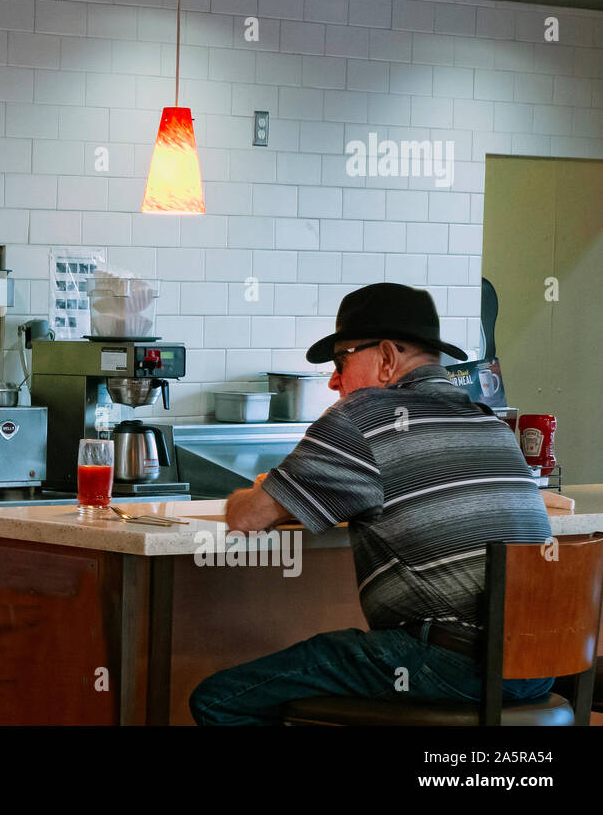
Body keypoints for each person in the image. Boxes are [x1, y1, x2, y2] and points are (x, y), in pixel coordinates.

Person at [189, 282, 552, 726]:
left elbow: (247, 518)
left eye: (341, 359)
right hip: (536, 664)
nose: (333, 379)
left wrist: (269, 488)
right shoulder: (488, 423)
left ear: (385, 357)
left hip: (447, 664)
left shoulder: (361, 417)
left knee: (219, 699)